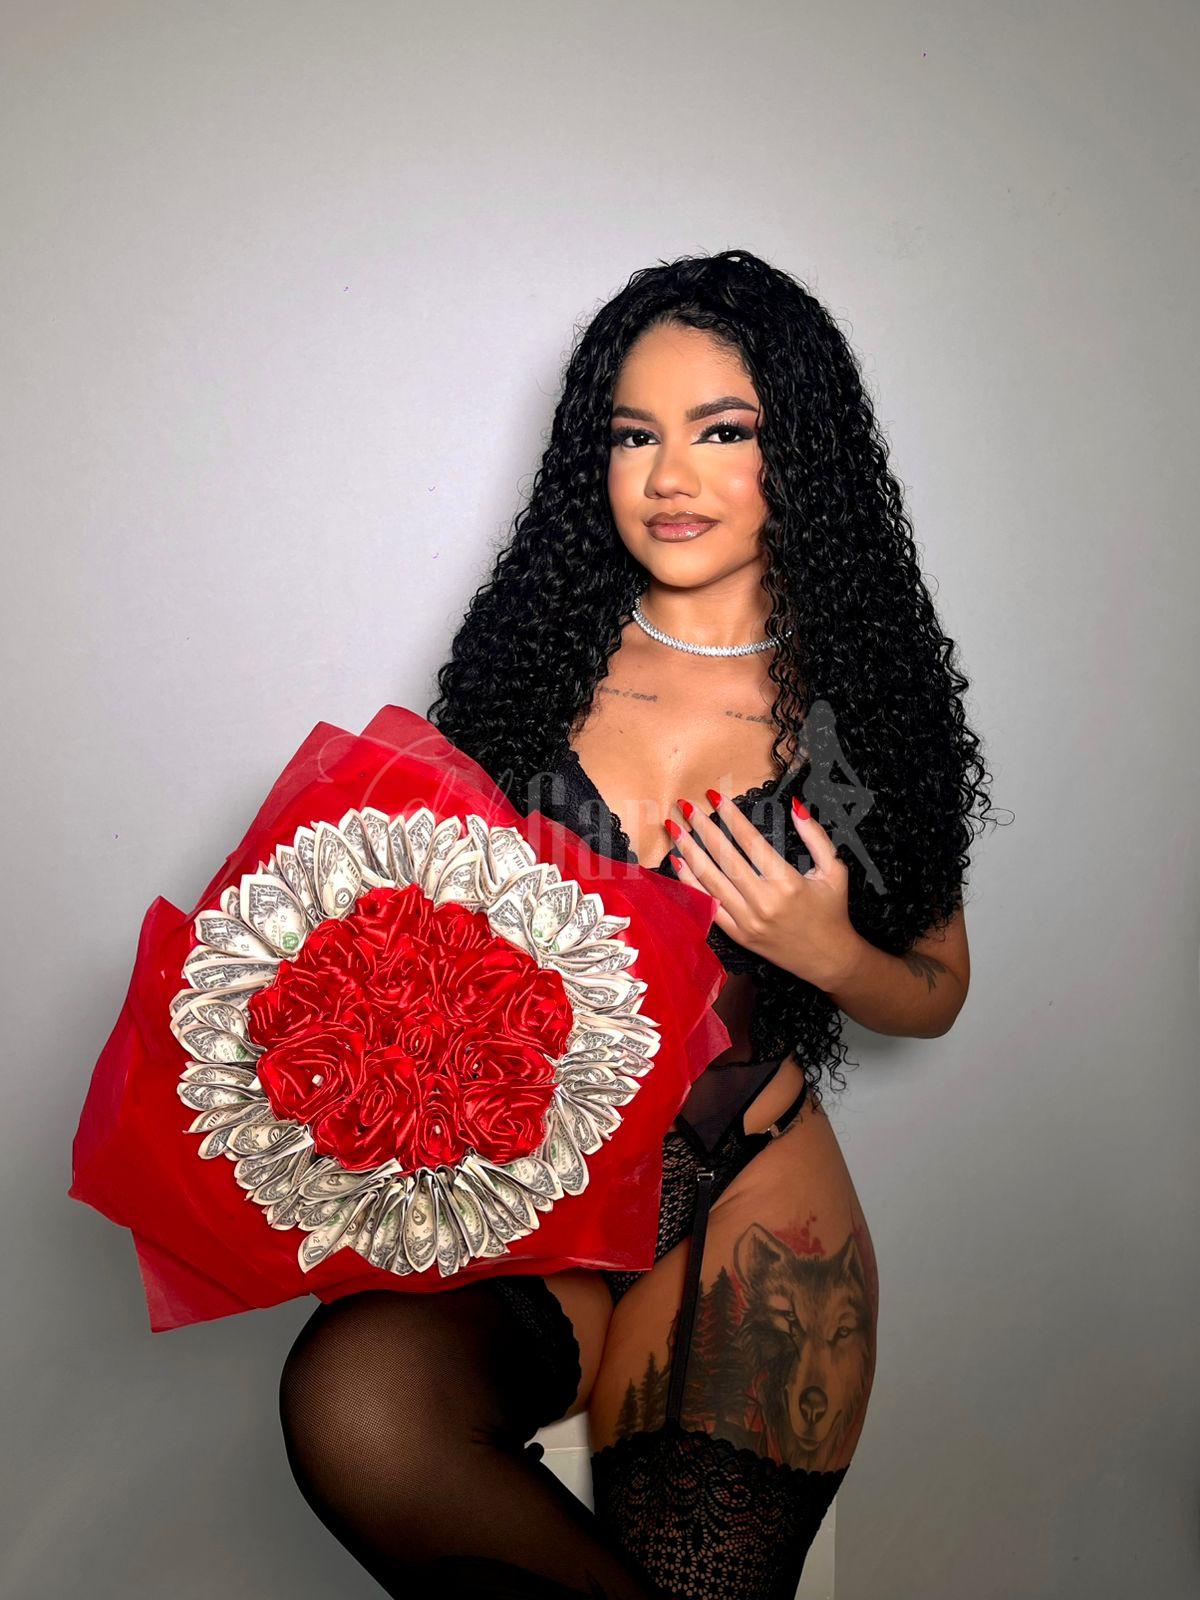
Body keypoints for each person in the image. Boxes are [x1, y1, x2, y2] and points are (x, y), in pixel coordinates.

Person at [276, 248, 994, 1598]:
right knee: (357, 1403)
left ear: (799, 455)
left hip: (743, 1187)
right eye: (632, 435)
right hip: (538, 1197)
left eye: (721, 431)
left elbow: (939, 986)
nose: (669, 476)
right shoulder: (530, 664)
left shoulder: (858, 697)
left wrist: (830, 954)